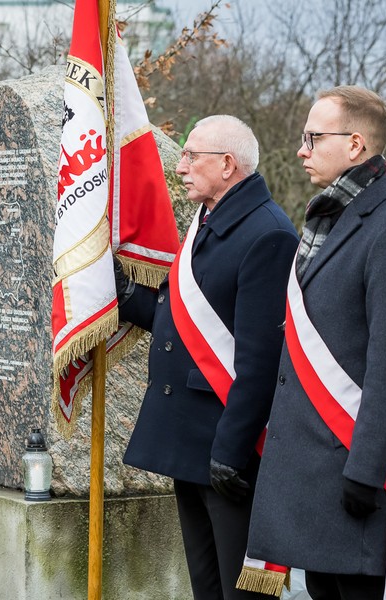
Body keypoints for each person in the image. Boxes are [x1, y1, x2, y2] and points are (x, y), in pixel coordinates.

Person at [247, 86, 386, 599]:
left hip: (350, 476)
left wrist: (365, 473)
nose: (301, 149)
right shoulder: (329, 219)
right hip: (309, 473)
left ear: (355, 145)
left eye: (313, 137)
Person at [115, 116, 298, 599]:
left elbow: (260, 361)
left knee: (241, 592)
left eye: (191, 156)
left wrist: (231, 450)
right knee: (207, 585)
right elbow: (178, 320)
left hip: (226, 446)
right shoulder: (211, 220)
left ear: (227, 164)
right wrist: (115, 284)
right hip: (188, 437)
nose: (181, 167)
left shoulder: (267, 234)